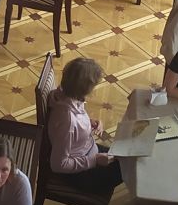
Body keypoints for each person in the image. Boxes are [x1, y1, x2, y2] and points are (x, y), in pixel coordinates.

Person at [45, 57, 122, 196]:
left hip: (88, 151)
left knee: (126, 158)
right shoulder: (67, 121)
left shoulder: (63, 95)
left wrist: (88, 123)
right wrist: (94, 160)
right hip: (80, 173)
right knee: (127, 168)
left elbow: (74, 123)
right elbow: (58, 165)